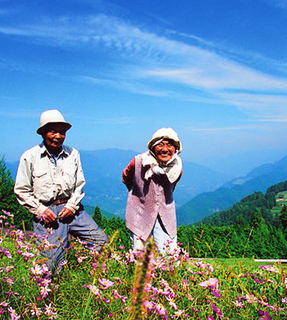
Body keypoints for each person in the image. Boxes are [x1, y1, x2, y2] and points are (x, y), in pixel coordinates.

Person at [14, 109, 108, 275]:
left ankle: (87, 275)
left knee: (101, 240)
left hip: (72, 210)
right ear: (43, 133)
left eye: (62, 132)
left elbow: (79, 185)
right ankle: (50, 293)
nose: (58, 136)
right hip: (47, 212)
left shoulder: (73, 154)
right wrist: (40, 210)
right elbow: (21, 190)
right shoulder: (30, 156)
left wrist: (72, 206)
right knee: (51, 265)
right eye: (53, 131)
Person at [122, 127, 183, 254]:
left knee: (169, 254)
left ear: (176, 149)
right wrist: (139, 195)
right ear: (152, 147)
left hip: (165, 213)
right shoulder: (138, 162)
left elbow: (172, 186)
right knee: (141, 255)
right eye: (160, 144)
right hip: (139, 212)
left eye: (170, 145)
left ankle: (166, 274)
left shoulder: (176, 168)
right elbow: (126, 177)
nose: (165, 149)